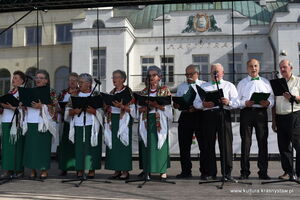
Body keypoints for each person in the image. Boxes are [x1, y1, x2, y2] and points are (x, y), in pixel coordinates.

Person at [193, 63, 239, 180]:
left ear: (223, 73)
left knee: (226, 144)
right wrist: (204, 104)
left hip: (223, 114)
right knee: (208, 144)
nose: (216, 73)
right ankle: (210, 172)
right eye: (214, 71)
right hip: (208, 115)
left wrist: (228, 102)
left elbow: (237, 102)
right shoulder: (204, 86)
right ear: (210, 73)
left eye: (218, 71)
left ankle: (227, 173)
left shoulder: (229, 85)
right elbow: (196, 103)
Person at [237, 59, 274, 180]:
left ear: (259, 67)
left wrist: (268, 102)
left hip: (261, 113)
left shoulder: (266, 82)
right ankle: (244, 171)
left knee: (262, 142)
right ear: (247, 68)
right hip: (246, 112)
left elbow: (273, 100)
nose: (253, 68)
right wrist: (245, 103)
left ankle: (263, 172)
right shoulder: (242, 83)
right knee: (246, 143)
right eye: (251, 66)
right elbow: (236, 101)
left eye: (256, 66)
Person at [138, 66, 172, 180]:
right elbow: (137, 109)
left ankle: (162, 170)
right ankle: (148, 170)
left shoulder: (164, 90)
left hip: (159, 121)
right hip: (146, 120)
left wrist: (156, 105)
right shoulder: (143, 92)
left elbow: (169, 109)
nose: (151, 77)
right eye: (149, 75)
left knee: (160, 145)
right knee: (147, 145)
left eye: (154, 75)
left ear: (159, 77)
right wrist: (144, 108)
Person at [65, 73, 102, 178]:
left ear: (89, 83)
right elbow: (67, 111)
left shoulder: (96, 95)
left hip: (92, 124)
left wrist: (94, 111)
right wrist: (73, 111)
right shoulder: (74, 95)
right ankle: (80, 169)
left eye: (81, 82)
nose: (79, 84)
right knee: (79, 148)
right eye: (79, 82)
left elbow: (102, 111)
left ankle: (91, 169)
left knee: (92, 148)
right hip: (78, 124)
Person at [23, 69, 58, 179]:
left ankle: (44, 169)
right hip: (31, 121)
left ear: (46, 80)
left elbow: (56, 107)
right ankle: (32, 170)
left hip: (44, 122)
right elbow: (25, 105)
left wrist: (42, 106)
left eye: (41, 78)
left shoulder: (51, 91)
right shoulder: (30, 90)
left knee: (43, 147)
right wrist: (23, 105)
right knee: (31, 147)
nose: (38, 80)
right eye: (37, 78)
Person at [174, 64, 205, 178]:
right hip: (185, 116)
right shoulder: (182, 86)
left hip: (199, 115)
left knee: (203, 145)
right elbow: (177, 102)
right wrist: (176, 104)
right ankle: (186, 171)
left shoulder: (203, 85)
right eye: (186, 74)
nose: (188, 76)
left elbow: (205, 101)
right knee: (184, 145)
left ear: (197, 74)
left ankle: (204, 171)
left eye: (191, 74)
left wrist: (197, 107)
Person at [272, 59, 300, 181]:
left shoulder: (298, 81)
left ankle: (299, 173)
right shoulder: (277, 83)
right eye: (281, 67)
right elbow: (273, 103)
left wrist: (292, 97)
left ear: (291, 68)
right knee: (283, 147)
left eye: (285, 67)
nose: (282, 69)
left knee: (298, 146)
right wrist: (274, 121)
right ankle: (288, 172)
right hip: (280, 117)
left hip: (294, 116)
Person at [104, 70, 135, 180]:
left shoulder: (128, 91)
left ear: (123, 79)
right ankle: (116, 170)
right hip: (113, 120)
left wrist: (122, 106)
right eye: (113, 77)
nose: (114, 79)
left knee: (123, 146)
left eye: (116, 77)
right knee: (114, 145)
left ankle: (125, 171)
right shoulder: (112, 92)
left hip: (123, 121)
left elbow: (133, 109)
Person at [1, 70, 26, 177]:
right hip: (6, 120)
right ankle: (7, 169)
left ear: (22, 81)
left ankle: (19, 170)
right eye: (13, 77)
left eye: (16, 78)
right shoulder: (10, 92)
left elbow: (25, 108)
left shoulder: (24, 93)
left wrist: (11, 107)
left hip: (17, 121)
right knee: (7, 147)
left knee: (18, 146)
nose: (13, 80)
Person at [57, 72, 79, 176]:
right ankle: (64, 167)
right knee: (65, 145)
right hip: (66, 121)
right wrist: (61, 109)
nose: (72, 82)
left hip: (77, 121)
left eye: (74, 80)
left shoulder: (80, 92)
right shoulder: (63, 93)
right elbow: (57, 105)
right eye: (70, 80)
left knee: (76, 145)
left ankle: (77, 167)